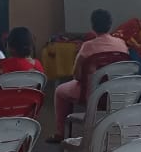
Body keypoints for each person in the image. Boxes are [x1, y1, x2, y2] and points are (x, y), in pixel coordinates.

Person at [49, 8, 129, 143]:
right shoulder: (121, 44)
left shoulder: (87, 46)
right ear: (110, 24)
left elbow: (77, 76)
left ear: (92, 26)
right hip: (116, 94)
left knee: (59, 91)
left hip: (92, 94)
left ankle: (61, 133)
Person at [0, 26, 44, 90]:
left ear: (11, 47)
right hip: (29, 99)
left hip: (7, 99)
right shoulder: (38, 65)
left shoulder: (10, 63)